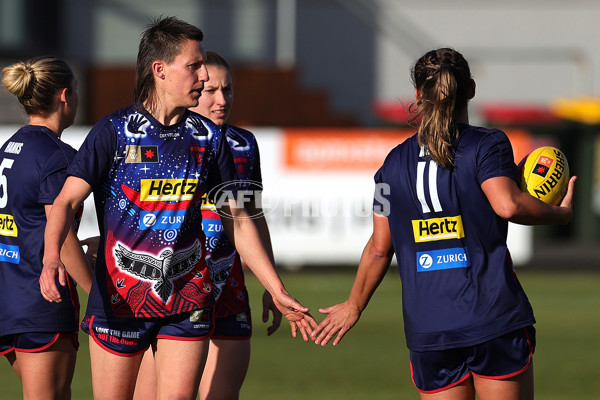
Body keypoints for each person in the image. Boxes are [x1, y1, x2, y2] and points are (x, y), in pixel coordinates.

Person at [40, 16, 316, 400]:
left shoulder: (209, 137)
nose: (203, 76)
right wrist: (52, 256)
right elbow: (66, 201)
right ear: (160, 71)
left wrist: (276, 287)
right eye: (194, 66)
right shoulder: (114, 131)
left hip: (189, 297)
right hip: (121, 300)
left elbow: (237, 219)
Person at [311, 48, 576, 400]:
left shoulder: (390, 165)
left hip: (430, 330)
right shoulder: (488, 143)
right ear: (470, 89)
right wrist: (560, 214)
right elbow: (508, 205)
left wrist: (354, 304)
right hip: (491, 317)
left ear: (418, 95)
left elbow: (378, 248)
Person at [132, 51, 281, 400]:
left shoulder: (244, 144)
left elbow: (252, 218)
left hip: (227, 285)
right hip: (172, 287)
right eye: (212, 89)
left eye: (228, 90)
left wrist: (273, 286)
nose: (221, 99)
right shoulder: (161, 141)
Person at [0, 56, 93, 399]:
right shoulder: (58, 156)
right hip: (42, 303)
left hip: (10, 300)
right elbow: (61, 233)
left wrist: (83, 245)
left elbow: (28, 226)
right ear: (65, 96)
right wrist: (96, 296)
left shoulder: (9, 149)